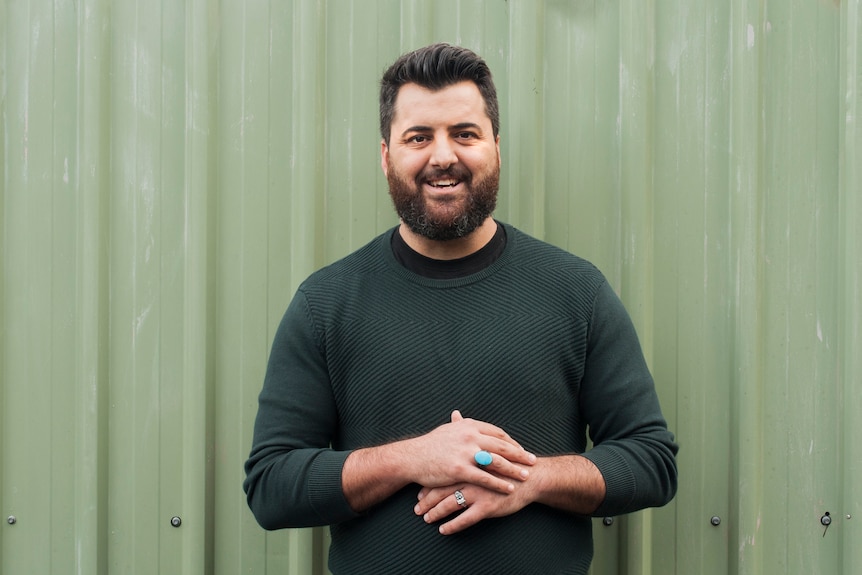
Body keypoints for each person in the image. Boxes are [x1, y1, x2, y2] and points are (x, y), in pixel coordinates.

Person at [244, 43, 678, 575]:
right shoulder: (327, 304)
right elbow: (270, 485)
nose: (442, 155)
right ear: (387, 155)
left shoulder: (575, 292)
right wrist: (412, 458)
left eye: (464, 134)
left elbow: (651, 460)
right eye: (419, 137)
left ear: (495, 145)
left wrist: (527, 479)